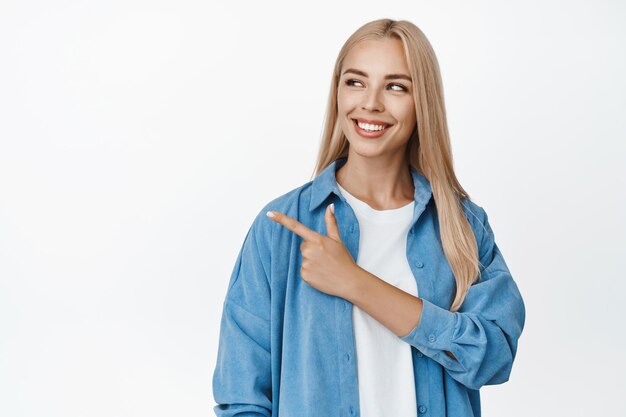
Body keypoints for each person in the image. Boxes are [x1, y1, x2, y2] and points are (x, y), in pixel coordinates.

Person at [212, 18, 526, 417]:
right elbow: (242, 398)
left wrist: (355, 283)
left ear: (422, 102)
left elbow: (494, 356)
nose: (371, 103)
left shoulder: (461, 227)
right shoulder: (281, 229)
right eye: (356, 82)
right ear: (337, 93)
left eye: (396, 86)